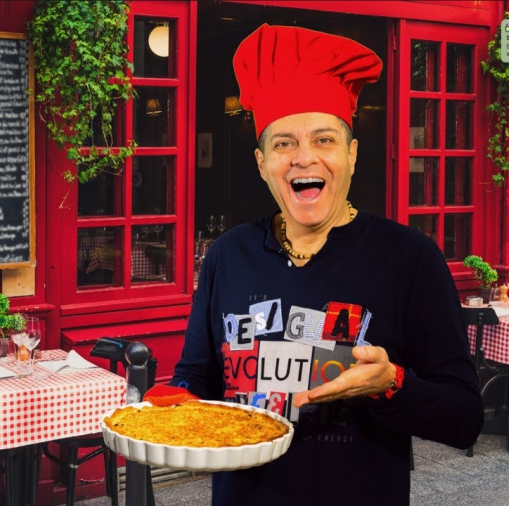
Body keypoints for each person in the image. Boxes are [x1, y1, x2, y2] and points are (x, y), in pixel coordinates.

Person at [170, 24, 483, 505]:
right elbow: (196, 379)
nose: (304, 158)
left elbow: (464, 420)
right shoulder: (228, 255)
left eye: (324, 140)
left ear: (352, 154)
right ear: (261, 163)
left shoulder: (409, 259)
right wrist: (166, 405)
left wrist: (391, 384)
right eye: (283, 144)